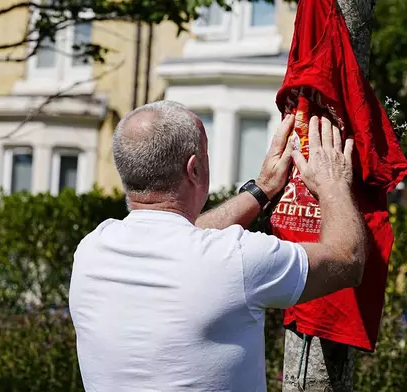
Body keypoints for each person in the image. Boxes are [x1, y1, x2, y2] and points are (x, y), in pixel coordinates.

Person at [68, 100, 367, 391]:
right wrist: (333, 183)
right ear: (194, 169)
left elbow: (182, 239)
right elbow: (347, 258)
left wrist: (260, 191)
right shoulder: (236, 259)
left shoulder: (91, 250)